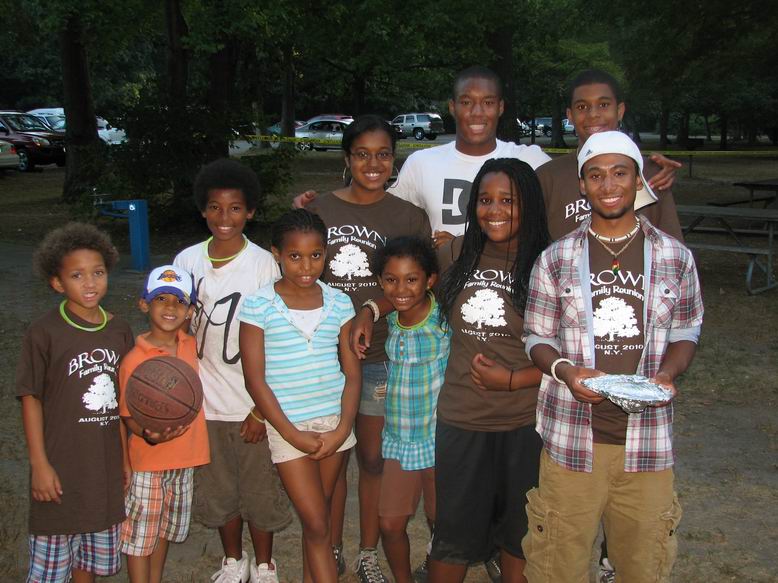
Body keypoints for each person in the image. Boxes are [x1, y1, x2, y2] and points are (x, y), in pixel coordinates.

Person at [521, 131, 703, 583]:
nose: (608, 185)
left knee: (643, 567)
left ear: (638, 180)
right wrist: (566, 371)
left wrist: (668, 373)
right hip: (571, 443)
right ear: (582, 184)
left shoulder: (675, 256)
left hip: (647, 447)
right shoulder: (556, 258)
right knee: (557, 568)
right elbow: (536, 336)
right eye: (596, 175)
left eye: (620, 173)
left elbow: (686, 329)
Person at [306, 115, 432, 582]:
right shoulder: (319, 210)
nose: (373, 163)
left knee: (374, 459)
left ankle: (367, 552)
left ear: (394, 159)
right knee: (331, 460)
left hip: (380, 357)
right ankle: (332, 547)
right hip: (323, 358)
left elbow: (421, 286)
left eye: (383, 154)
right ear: (347, 158)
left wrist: (371, 309)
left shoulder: (408, 216)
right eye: (362, 154)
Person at [421, 157, 549, 583]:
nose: (494, 210)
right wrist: (370, 309)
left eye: (507, 201)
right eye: (485, 200)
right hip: (462, 418)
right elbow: (404, 281)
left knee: (521, 535)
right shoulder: (454, 253)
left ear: (529, 204)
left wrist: (513, 380)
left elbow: (574, 356)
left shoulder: (549, 263)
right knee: (452, 536)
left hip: (527, 422)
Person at [173, 159, 291, 583]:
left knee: (259, 490)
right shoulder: (186, 260)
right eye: (215, 207)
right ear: (202, 210)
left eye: (235, 208)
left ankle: (264, 564)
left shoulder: (263, 264)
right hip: (206, 403)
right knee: (219, 488)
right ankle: (232, 560)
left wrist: (262, 409)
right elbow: (174, 325)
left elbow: (278, 338)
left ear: (251, 211)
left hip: (251, 404)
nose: (225, 217)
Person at [238, 209, 361, 583]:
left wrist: (342, 429)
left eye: (316, 255)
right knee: (318, 522)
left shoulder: (340, 302)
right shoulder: (258, 305)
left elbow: (352, 374)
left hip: (334, 423)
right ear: (277, 254)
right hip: (288, 427)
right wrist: (291, 433)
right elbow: (255, 380)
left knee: (318, 519)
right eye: (295, 256)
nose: (307, 266)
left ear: (326, 253)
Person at [16, 222, 134, 583]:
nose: (90, 283)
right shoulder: (44, 332)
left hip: (103, 470)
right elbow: (30, 398)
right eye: (77, 275)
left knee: (90, 563)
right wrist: (39, 464)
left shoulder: (119, 330)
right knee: (52, 567)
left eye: (97, 272)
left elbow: (120, 404)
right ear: (57, 283)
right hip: (60, 467)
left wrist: (125, 459)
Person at [118, 264, 210, 583]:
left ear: (190, 311)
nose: (170, 306)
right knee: (140, 536)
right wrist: (148, 433)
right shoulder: (134, 359)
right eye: (161, 298)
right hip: (148, 463)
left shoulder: (193, 347)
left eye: (179, 301)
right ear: (144, 304)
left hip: (185, 461)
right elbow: (127, 415)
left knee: (165, 531)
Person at [372, 237, 450, 583]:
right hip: (400, 440)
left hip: (438, 438)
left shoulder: (443, 318)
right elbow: (384, 304)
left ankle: (438, 567)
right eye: (391, 279)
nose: (401, 289)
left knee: (442, 522)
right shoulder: (391, 318)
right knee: (390, 524)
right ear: (380, 281)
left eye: (411, 279)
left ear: (430, 280)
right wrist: (369, 310)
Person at [538, 68, 684, 242]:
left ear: (620, 110)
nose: (593, 114)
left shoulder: (653, 174)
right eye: (582, 107)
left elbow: (673, 248)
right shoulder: (547, 177)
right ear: (570, 115)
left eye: (604, 105)